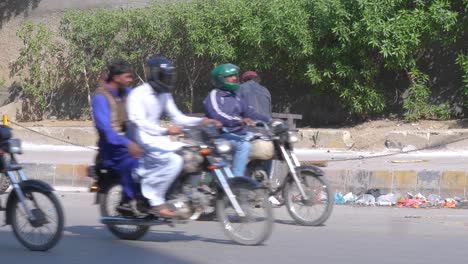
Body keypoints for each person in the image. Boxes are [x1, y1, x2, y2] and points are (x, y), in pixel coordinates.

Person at [126, 57, 220, 218]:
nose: (168, 80)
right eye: (164, 76)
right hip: (143, 138)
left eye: (169, 76)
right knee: (174, 161)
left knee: (193, 154)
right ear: (155, 75)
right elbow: (139, 122)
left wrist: (202, 121)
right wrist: (166, 131)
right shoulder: (138, 94)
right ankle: (156, 201)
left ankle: (181, 193)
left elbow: (179, 117)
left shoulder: (164, 94)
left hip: (159, 138)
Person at [91, 59, 143, 211]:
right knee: (134, 161)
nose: (130, 80)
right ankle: (129, 199)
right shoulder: (100, 97)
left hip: (128, 140)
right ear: (116, 77)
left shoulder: (126, 93)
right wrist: (127, 143)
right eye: (127, 77)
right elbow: (106, 131)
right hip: (111, 146)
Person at [203, 63, 271, 177]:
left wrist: (270, 120)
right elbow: (217, 115)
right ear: (220, 79)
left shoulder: (236, 95)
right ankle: (237, 181)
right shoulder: (214, 95)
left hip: (239, 134)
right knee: (244, 146)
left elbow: (250, 112)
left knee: (269, 142)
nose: (235, 78)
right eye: (230, 76)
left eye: (235, 75)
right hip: (221, 135)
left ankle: (263, 181)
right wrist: (239, 121)